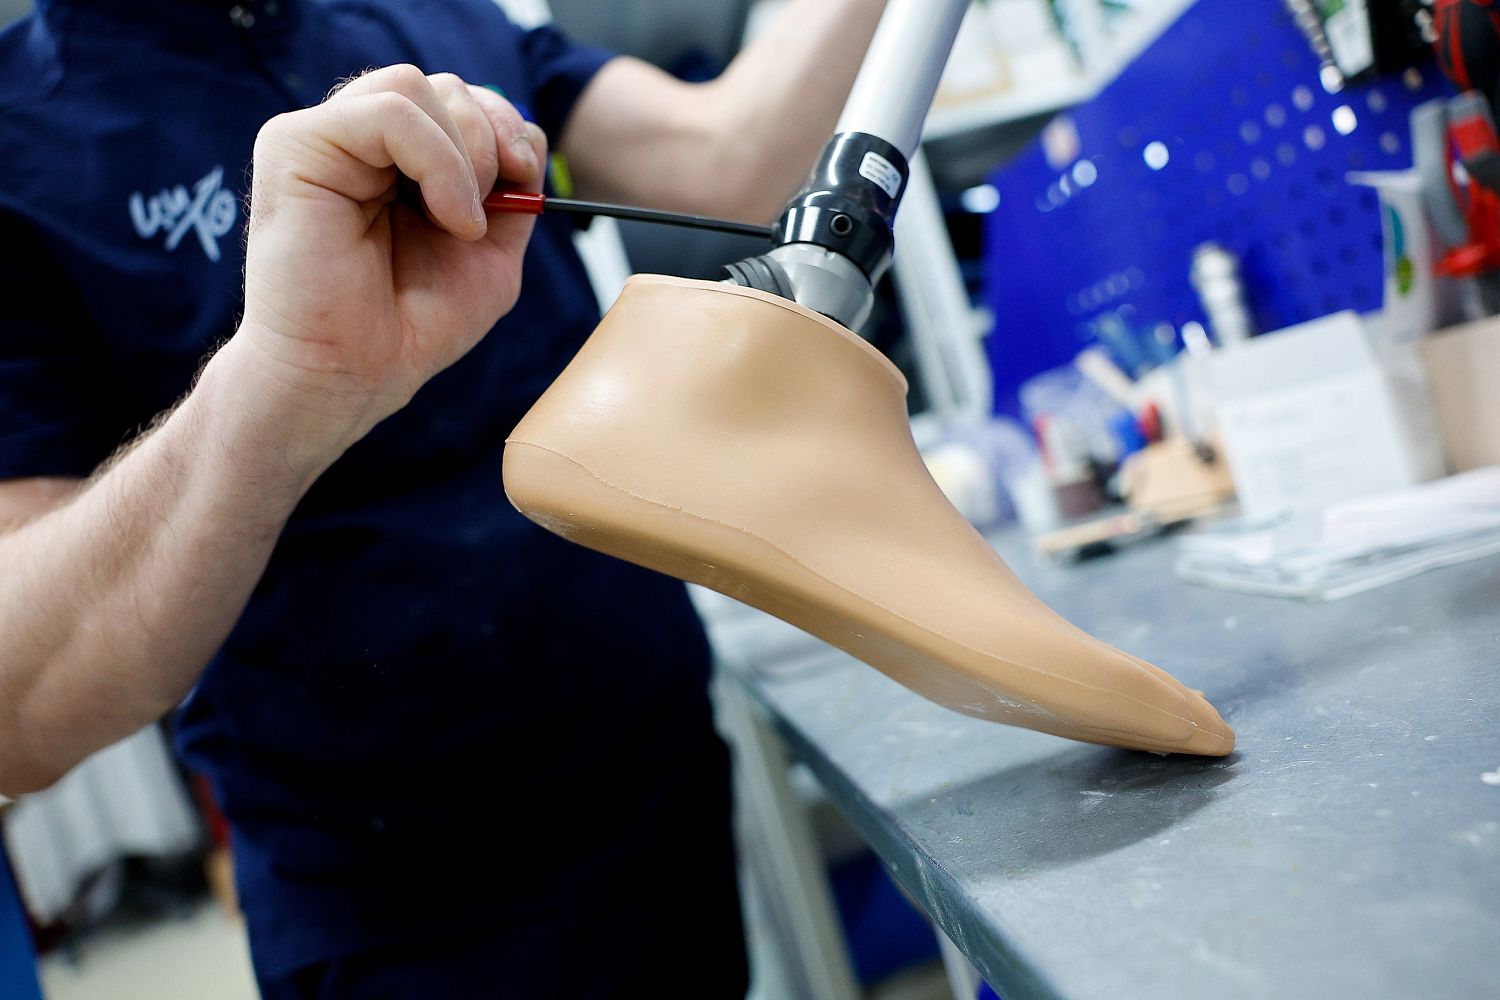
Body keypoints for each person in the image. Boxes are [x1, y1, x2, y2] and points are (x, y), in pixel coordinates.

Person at [0, 0, 887, 994]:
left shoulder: (436, 16)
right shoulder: (19, 141)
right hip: (390, 897)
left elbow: (721, 158)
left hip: (654, 786)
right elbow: (17, 705)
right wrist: (278, 384)